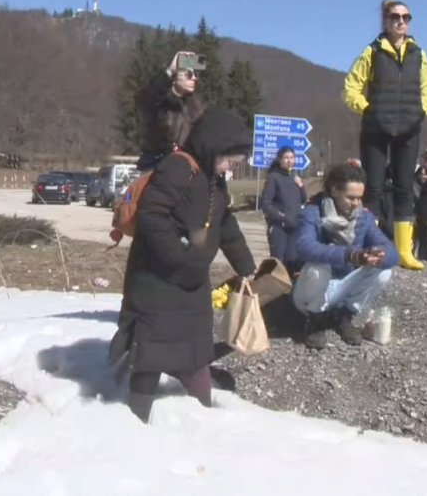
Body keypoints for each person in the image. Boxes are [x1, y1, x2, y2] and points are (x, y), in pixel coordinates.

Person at [109, 107, 256, 423]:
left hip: (191, 280)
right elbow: (152, 216)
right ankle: (135, 419)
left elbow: (224, 223)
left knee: (195, 349)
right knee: (150, 351)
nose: (233, 165)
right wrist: (179, 258)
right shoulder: (178, 167)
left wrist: (245, 263)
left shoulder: (214, 179)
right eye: (230, 158)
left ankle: (203, 416)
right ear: (214, 145)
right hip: (158, 279)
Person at [342, 0, 427, 271]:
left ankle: (404, 251)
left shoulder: (420, 54)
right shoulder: (372, 52)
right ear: (385, 20)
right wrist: (369, 109)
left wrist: (421, 111)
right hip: (376, 128)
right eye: (395, 17)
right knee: (373, 188)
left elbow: (426, 91)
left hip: (409, 129)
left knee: (405, 188)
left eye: (406, 17)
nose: (400, 21)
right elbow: (351, 88)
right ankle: (369, 245)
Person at [291, 162, 399, 350]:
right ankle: (314, 319)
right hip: (311, 288)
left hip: (342, 286)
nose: (356, 203)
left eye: (359, 198)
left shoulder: (363, 217)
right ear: (334, 191)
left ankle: (344, 314)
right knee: (317, 267)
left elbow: (393, 254)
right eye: (350, 198)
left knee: (384, 271)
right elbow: (304, 246)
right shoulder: (312, 212)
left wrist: (378, 255)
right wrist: (350, 255)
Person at [136, 51, 207, 170]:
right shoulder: (160, 102)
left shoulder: (196, 106)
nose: (194, 78)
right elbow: (148, 97)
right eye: (189, 74)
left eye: (196, 74)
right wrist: (170, 71)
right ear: (175, 77)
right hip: (157, 166)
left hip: (185, 167)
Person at [260, 146, 307, 270]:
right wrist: (282, 217)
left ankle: (291, 282)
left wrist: (301, 186)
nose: (289, 160)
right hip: (279, 227)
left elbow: (303, 199)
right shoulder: (273, 177)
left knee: (293, 261)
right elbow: (266, 204)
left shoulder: (294, 177)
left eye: (292, 157)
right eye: (286, 158)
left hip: (294, 227)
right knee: (278, 262)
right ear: (280, 160)